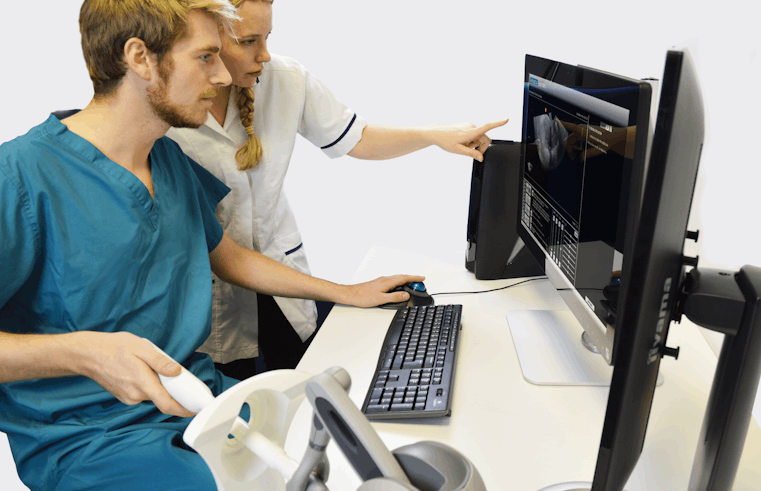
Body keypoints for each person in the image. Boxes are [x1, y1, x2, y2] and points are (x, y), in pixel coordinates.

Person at [0, 1, 421, 490]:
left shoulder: (168, 160)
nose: (223, 76)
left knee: (367, 446)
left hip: (202, 399)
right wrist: (85, 353)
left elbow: (230, 257)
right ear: (140, 58)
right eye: (205, 57)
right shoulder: (21, 177)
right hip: (92, 436)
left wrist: (345, 293)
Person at [166, 0, 507, 380]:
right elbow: (226, 258)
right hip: (210, 297)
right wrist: (344, 292)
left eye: (267, 38)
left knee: (300, 384)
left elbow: (356, 138)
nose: (264, 55)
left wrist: (433, 136)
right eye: (247, 41)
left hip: (283, 280)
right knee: (234, 399)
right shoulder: (167, 107)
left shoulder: (285, 78)